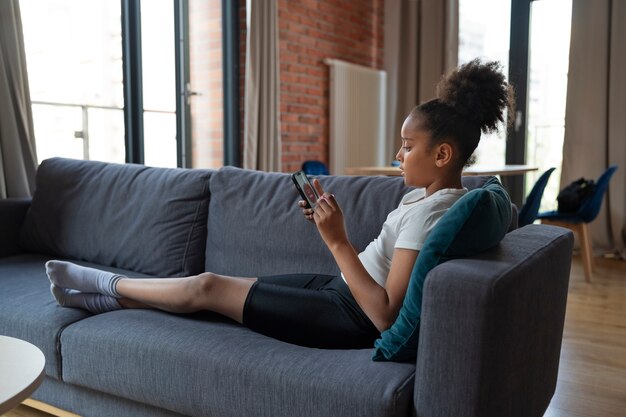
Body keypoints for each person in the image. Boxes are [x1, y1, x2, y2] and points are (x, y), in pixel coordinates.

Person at [46, 59, 513, 349]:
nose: (398, 154)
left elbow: (385, 314)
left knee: (210, 287)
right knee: (222, 290)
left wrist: (335, 239)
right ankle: (108, 299)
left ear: (443, 154)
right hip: (339, 291)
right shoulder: (425, 196)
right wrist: (335, 240)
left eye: (407, 146)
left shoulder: (433, 212)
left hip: (348, 317)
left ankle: (106, 285)